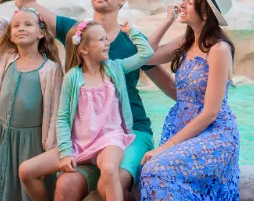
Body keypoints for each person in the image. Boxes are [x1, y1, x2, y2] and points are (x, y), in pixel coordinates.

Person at [15, 0, 177, 200]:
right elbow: (25, 4)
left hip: (130, 132)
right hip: (84, 136)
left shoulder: (132, 43)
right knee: (65, 187)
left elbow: (171, 88)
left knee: (110, 183)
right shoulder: (74, 32)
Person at [17, 20, 153, 201]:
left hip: (109, 139)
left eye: (107, 39)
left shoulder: (115, 68)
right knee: (26, 170)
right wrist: (65, 153)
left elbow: (146, 53)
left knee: (110, 169)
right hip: (78, 144)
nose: (108, 43)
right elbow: (63, 118)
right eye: (101, 40)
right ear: (84, 49)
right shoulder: (72, 77)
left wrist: (131, 31)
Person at [139, 0, 240, 200]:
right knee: (150, 171)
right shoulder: (184, 42)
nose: (182, 5)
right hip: (182, 128)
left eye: (190, 2)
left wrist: (163, 148)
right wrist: (168, 21)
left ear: (206, 13)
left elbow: (210, 112)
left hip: (214, 135)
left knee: (156, 170)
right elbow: (145, 56)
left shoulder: (218, 49)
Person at [0, 8, 63, 201]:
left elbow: (54, 112)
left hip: (30, 140)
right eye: (16, 26)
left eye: (28, 25)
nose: (20, 29)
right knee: (2, 188)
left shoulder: (51, 69)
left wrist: (52, 146)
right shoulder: (7, 57)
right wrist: (24, 17)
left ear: (41, 33)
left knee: (26, 193)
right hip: (1, 134)